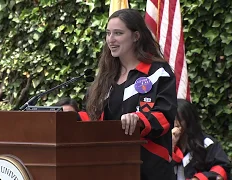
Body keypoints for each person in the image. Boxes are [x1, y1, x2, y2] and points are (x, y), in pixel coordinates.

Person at [86, 9, 177, 180]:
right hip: (111, 167)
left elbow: (166, 115)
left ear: (136, 36)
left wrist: (139, 120)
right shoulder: (105, 78)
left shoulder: (158, 73)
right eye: (108, 33)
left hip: (150, 169)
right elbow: (93, 118)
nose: (110, 40)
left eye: (118, 33)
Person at [172, 99, 231, 180]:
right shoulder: (165, 143)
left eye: (179, 119)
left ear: (188, 120)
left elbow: (221, 169)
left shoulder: (206, 143)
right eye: (172, 119)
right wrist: (172, 145)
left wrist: (198, 178)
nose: (175, 124)